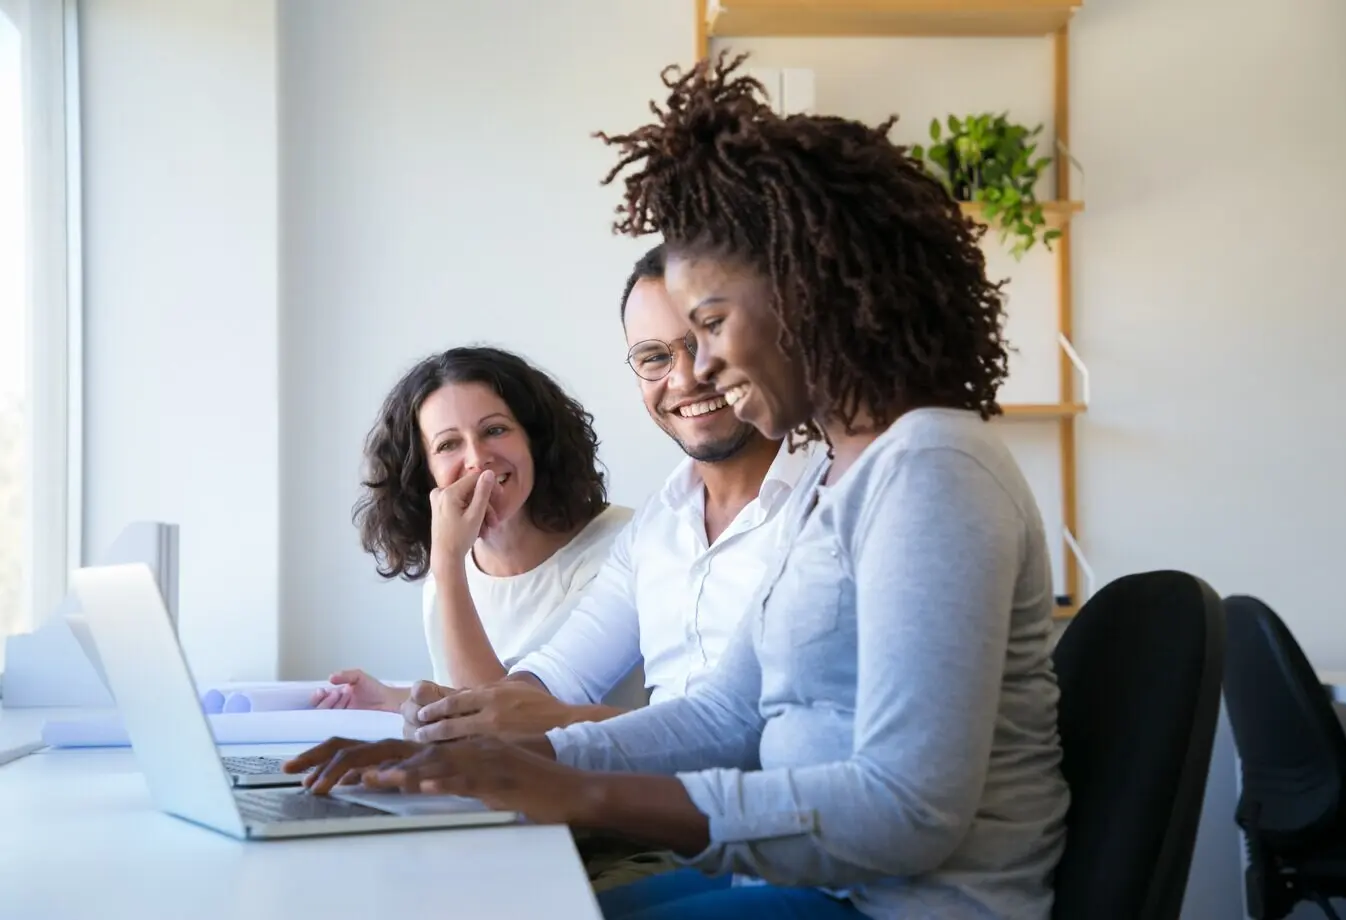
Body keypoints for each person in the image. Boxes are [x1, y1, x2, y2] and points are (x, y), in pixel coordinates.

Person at [286, 51, 1070, 920]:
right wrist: (513, 765)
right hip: (796, 884)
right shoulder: (835, 482)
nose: (700, 367)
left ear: (806, 292)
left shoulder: (933, 468)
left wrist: (577, 792)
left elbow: (906, 812)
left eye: (710, 323)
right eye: (672, 343)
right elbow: (725, 715)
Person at [394, 244, 826, 740]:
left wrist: (548, 719)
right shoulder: (657, 527)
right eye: (655, 357)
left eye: (707, 340)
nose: (685, 377)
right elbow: (555, 678)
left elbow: (789, 737)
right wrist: (454, 714)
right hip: (648, 805)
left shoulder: (831, 496)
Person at [311, 345, 633, 712]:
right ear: (424, 472)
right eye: (448, 444)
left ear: (536, 441)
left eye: (495, 430)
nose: (477, 459)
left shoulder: (621, 546)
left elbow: (495, 721)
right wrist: (389, 699)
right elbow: (465, 697)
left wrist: (447, 563)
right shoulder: (450, 572)